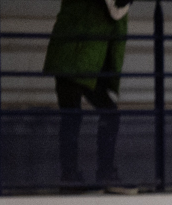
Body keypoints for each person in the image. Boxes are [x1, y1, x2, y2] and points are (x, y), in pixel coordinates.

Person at [42, 0, 130, 191]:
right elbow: (116, 9)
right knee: (74, 115)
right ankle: (76, 177)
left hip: (85, 59)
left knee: (90, 114)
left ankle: (81, 176)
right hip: (75, 55)